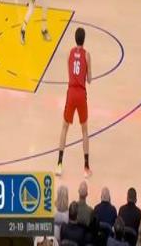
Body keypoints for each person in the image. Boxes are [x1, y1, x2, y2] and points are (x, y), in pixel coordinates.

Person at [56, 27, 92, 177]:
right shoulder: (87, 55)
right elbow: (89, 79)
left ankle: (59, 164)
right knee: (84, 130)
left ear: (75, 39)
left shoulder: (69, 53)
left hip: (71, 92)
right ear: (84, 39)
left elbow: (69, 72)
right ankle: (86, 167)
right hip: (81, 93)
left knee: (64, 127)